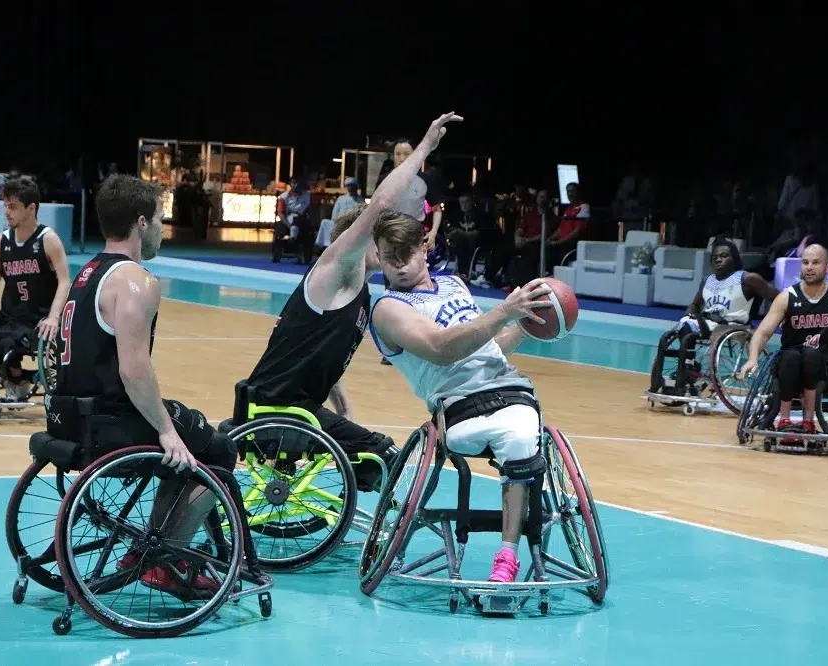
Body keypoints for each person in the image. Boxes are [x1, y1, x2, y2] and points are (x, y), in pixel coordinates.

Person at [241, 112, 463, 492]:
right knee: (383, 454)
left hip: (293, 406)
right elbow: (381, 203)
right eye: (380, 239)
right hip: (279, 411)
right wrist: (425, 147)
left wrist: (340, 400)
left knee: (365, 454)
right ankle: (393, 522)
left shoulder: (357, 290)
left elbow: (317, 351)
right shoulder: (337, 271)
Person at [52, 174, 239, 597]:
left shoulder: (86, 275)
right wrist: (167, 431)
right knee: (217, 451)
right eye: (159, 220)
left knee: (188, 437)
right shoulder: (136, 280)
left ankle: (149, 549)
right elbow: (134, 371)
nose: (162, 229)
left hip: (69, 414)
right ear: (140, 222)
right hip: (110, 421)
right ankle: (164, 560)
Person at [368, 212, 555, 584]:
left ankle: (507, 558)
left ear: (425, 247)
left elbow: (489, 346)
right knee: (517, 440)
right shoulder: (388, 309)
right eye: (390, 257)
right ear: (378, 256)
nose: (400, 265)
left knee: (521, 440)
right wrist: (504, 310)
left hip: (509, 390)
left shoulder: (454, 284)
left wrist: (527, 323)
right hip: (457, 406)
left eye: (407, 253)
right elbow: (441, 349)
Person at [739, 244, 828, 437]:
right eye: (805, 262)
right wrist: (752, 358)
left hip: (825, 367)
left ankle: (808, 420)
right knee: (791, 356)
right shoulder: (787, 297)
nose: (809, 267)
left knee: (810, 355)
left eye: (816, 263)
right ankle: (783, 419)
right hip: (790, 364)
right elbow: (762, 333)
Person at [0, 176, 70, 401]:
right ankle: (18, 380)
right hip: (9, 318)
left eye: (13, 207)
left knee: (8, 346)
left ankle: (18, 381)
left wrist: (53, 317)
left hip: (36, 321)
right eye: (6, 206)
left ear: (31, 209)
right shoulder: (2, 241)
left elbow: (65, 282)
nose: (7, 212)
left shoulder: (48, 240)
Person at [650, 239, 779, 395]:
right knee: (670, 335)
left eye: (724, 256)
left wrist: (775, 318)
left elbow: (777, 298)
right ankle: (676, 374)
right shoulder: (707, 280)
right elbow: (695, 304)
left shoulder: (747, 278)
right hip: (709, 322)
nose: (718, 259)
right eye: (715, 257)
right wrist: (690, 311)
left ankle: (688, 371)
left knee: (687, 328)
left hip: (732, 325)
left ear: (735, 259)